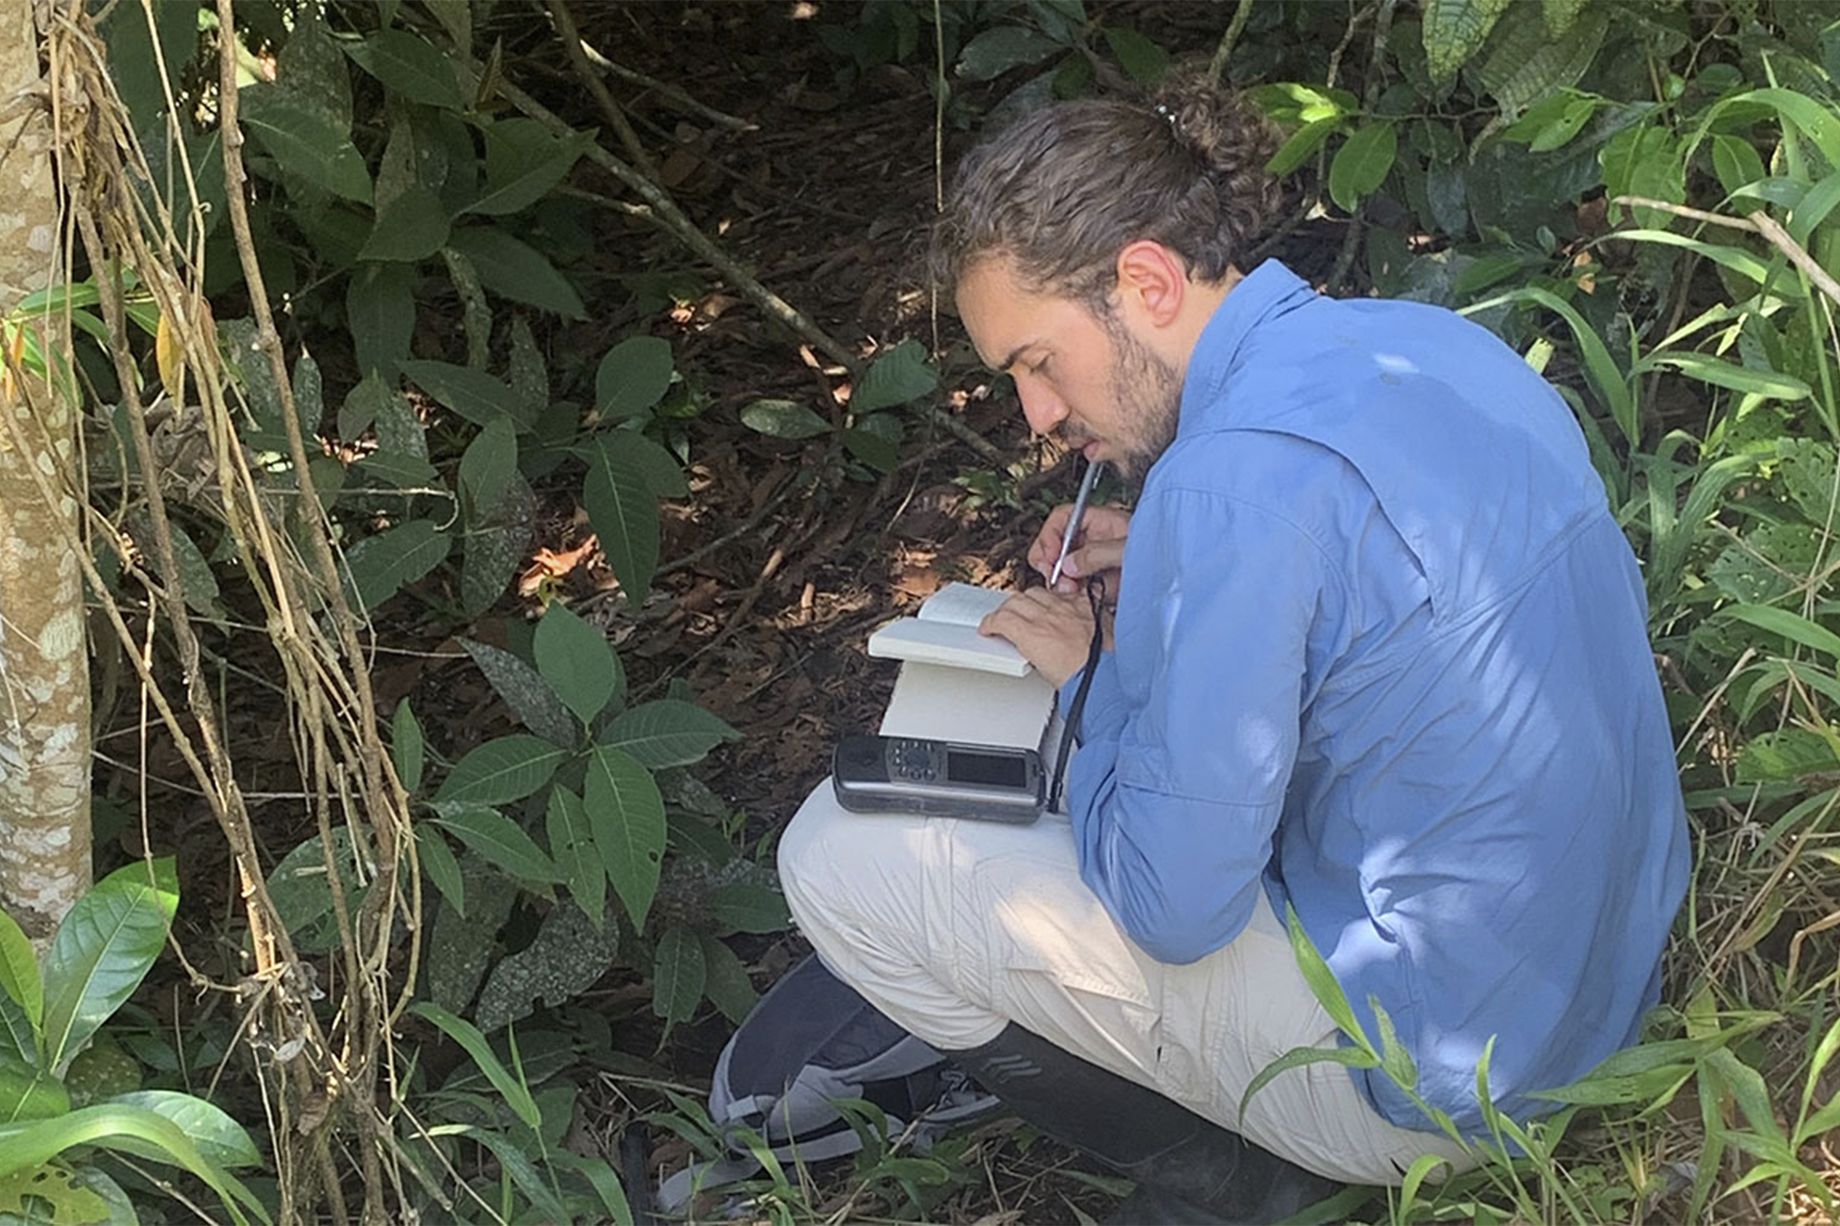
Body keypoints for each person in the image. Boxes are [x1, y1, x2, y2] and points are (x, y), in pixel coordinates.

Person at [776, 72, 1689, 1222]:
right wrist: (1172, 560)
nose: (1037, 417)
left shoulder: (1230, 491)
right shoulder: (1424, 344)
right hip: (1597, 996)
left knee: (829, 855)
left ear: (1144, 281)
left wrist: (1091, 683)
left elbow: (1172, 905)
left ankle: (1239, 1183)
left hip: (1435, 1090)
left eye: (1036, 362)